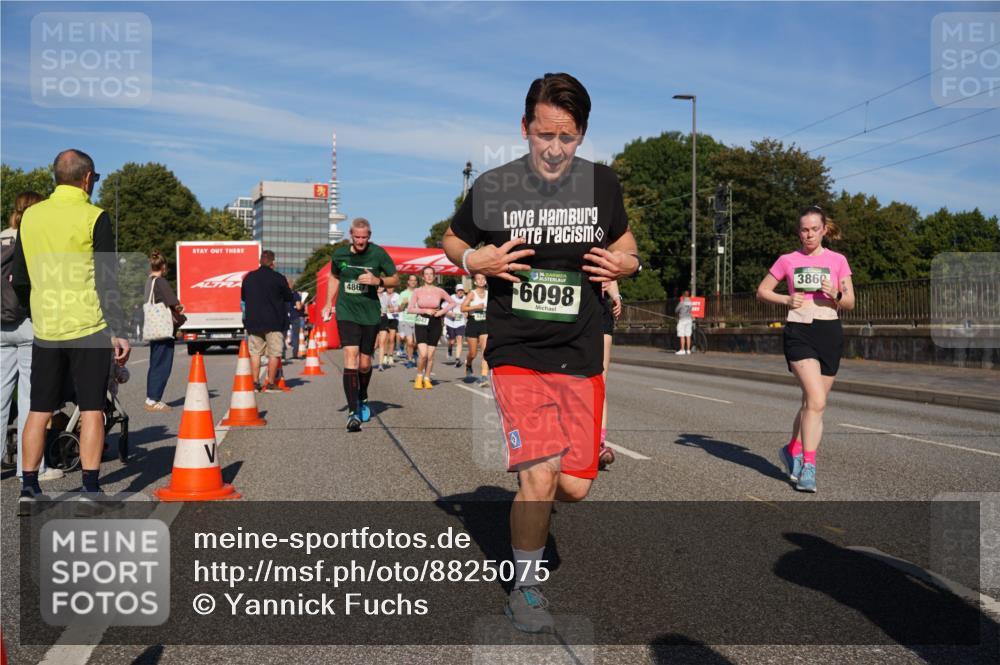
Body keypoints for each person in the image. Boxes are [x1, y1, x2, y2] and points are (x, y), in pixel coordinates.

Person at [443, 73, 640, 632]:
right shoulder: (495, 185)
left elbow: (625, 245)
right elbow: (453, 239)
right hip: (517, 349)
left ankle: (554, 480)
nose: (554, 148)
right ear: (524, 126)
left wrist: (628, 264)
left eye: (567, 137)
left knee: (573, 486)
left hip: (579, 349)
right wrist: (473, 260)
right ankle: (525, 589)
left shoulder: (602, 185)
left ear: (583, 134)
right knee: (540, 473)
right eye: (544, 134)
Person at [11, 149, 130, 512]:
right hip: (88, 327)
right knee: (92, 408)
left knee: (39, 410)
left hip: (47, 327)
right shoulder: (95, 216)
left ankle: (29, 490)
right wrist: (118, 329)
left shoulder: (31, 216)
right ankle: (90, 491)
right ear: (87, 178)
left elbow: (21, 277)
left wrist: (36, 311)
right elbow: (107, 278)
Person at [757, 205, 854, 493]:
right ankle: (808, 466)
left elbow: (850, 302)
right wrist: (787, 300)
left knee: (813, 404)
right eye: (804, 230)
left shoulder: (838, 260)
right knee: (817, 400)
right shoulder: (788, 260)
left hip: (829, 331)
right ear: (798, 232)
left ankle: (792, 449)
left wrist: (836, 293)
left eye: (814, 229)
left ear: (824, 230)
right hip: (799, 330)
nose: (809, 234)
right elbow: (762, 290)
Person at [1, 192, 64, 483]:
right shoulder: (38, 238)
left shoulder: (2, 237)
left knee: (1, 395)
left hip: (0, 323)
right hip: (29, 322)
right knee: (31, 397)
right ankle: (30, 468)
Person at [322, 217, 399, 432]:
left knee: (364, 364)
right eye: (357, 237)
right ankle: (352, 412)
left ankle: (363, 396)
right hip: (346, 311)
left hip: (370, 314)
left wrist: (377, 281)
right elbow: (334, 276)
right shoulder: (340, 254)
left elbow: (395, 279)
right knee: (350, 355)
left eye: (364, 237)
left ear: (369, 236)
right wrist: (328, 302)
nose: (360, 241)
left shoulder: (378, 254)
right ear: (351, 235)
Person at [240, 250, 294, 392]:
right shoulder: (279, 278)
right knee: (274, 353)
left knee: (255, 353)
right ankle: (270, 383)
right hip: (274, 322)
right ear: (273, 263)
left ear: (260, 261)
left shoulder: (249, 278)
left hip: (254, 321)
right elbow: (289, 297)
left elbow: (243, 297)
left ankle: (255, 382)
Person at [143, 250, 184, 412]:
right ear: (164, 266)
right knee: (162, 364)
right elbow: (174, 303)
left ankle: (151, 397)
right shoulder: (161, 281)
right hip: (163, 330)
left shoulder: (149, 282)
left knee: (155, 363)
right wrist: (179, 309)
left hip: (154, 329)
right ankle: (153, 399)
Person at [406, 266, 456, 390]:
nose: (428, 276)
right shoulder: (417, 291)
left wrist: (442, 312)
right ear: (423, 277)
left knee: (430, 355)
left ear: (434, 277)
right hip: (421, 322)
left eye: (431, 274)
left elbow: (453, 302)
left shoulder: (439, 291)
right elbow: (410, 309)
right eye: (426, 274)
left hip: (435, 323)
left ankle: (427, 378)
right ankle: (419, 376)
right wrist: (425, 310)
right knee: (423, 354)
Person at [598, 280, 622, 468]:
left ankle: (598, 443)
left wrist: (616, 296)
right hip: (564, 316)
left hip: (598, 312)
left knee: (598, 383)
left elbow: (611, 277)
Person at [460, 273, 490, 387]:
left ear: (485, 281)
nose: (481, 281)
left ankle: (484, 377)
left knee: (485, 351)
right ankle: (468, 363)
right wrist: (476, 307)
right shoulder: (472, 294)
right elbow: (462, 308)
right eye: (478, 279)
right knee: (473, 353)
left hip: (485, 323)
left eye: (483, 278)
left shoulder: (489, 294)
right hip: (473, 323)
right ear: (475, 282)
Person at [396, 274, 419, 367]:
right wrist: (403, 303)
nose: (413, 282)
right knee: (409, 342)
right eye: (411, 280)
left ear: (416, 282)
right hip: (407, 320)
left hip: (418, 320)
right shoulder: (403, 294)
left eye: (414, 280)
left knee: (416, 343)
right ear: (408, 282)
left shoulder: (419, 292)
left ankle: (415, 351)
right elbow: (399, 309)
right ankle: (410, 360)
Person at [378, 284, 400, 371]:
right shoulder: (383, 295)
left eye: (391, 287)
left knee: (391, 338)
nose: (390, 289)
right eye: (388, 287)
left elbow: (399, 307)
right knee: (384, 339)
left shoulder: (397, 296)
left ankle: (390, 356)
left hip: (393, 318)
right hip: (383, 318)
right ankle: (384, 355)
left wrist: (394, 309)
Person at [445, 285, 466, 367]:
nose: (460, 292)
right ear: (456, 291)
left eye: (462, 290)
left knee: (459, 339)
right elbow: (444, 308)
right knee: (452, 341)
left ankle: (457, 359)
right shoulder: (451, 297)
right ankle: (449, 349)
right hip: (450, 322)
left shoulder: (465, 298)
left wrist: (466, 313)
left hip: (460, 322)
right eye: (458, 290)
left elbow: (467, 308)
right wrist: (450, 314)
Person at [286, 278, 304, 360]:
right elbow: (298, 307)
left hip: (284, 316)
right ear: (292, 285)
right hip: (295, 316)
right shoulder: (295, 294)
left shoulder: (281, 294)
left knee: (282, 335)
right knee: (295, 335)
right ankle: (294, 354)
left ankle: (282, 355)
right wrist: (302, 303)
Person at [675, 290, 693, 354]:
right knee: (688, 335)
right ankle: (688, 350)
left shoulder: (682, 303)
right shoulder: (691, 303)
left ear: (683, 295)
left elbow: (676, 310)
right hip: (689, 319)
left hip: (682, 320)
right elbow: (690, 311)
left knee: (682, 335)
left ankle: (682, 350)